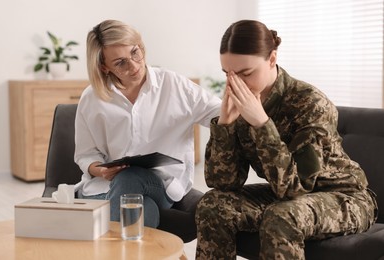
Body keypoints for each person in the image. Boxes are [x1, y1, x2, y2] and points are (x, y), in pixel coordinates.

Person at [195, 20, 378, 259]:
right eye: (228, 74)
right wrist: (226, 126)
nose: (236, 84)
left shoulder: (311, 103)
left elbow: (294, 187)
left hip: (344, 198)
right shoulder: (242, 102)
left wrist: (261, 124)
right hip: (285, 197)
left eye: (245, 73)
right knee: (213, 205)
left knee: (282, 216)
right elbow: (224, 183)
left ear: (272, 59)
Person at [74, 19, 221, 227]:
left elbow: (218, 113)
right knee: (144, 208)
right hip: (103, 188)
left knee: (130, 177)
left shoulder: (173, 85)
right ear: (104, 67)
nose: (134, 66)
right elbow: (85, 154)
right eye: (120, 62)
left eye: (135, 52)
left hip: (160, 185)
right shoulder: (92, 98)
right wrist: (101, 170)